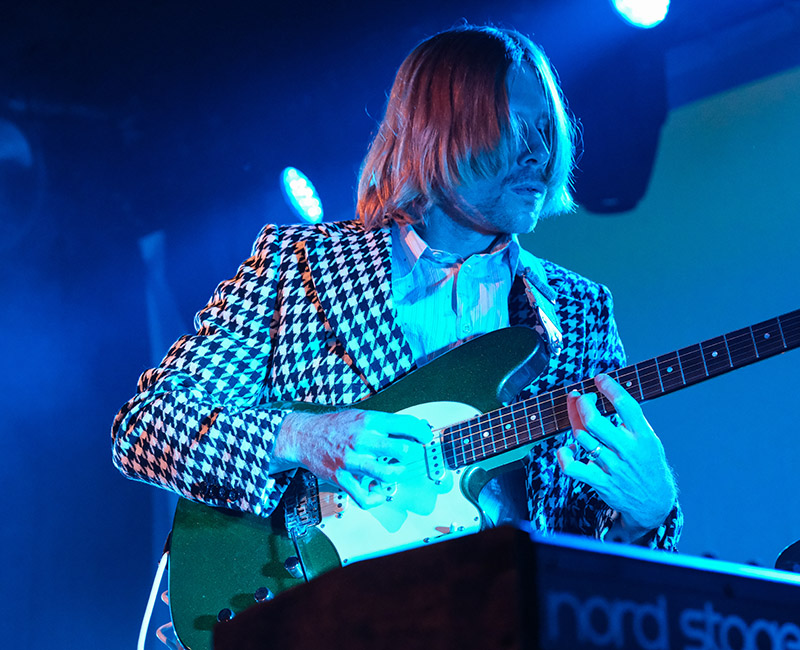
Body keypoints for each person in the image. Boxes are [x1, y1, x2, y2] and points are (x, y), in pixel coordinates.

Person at [112, 25, 681, 555]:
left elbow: (595, 560)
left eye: (546, 129)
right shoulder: (301, 268)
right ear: (442, 131)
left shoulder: (579, 313)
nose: (540, 152)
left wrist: (647, 515)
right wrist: (301, 436)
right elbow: (147, 424)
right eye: (516, 128)